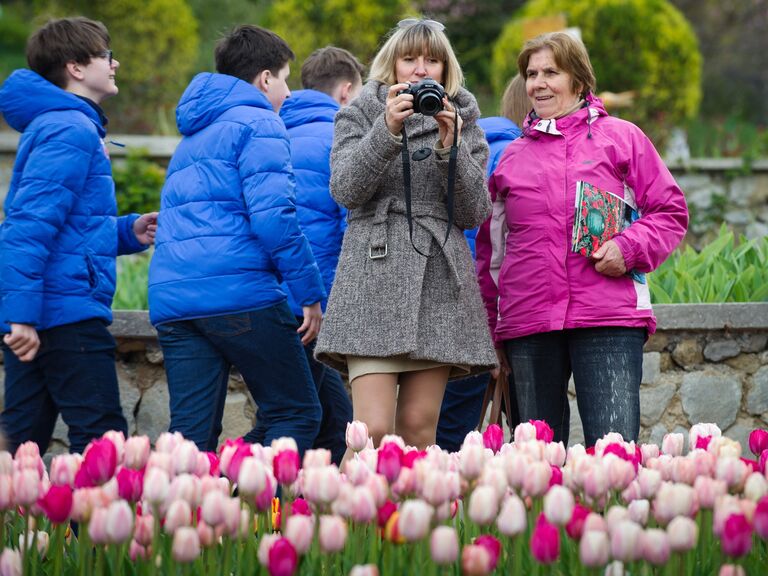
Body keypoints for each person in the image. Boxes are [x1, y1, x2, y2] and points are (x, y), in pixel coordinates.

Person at [476, 32, 688, 447]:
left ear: (578, 79)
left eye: (550, 72)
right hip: (528, 321)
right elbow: (491, 254)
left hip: (608, 318)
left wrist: (627, 249)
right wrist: (491, 332)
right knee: (534, 464)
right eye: (531, 74)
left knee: (613, 457)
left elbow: (670, 212)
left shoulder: (624, 138)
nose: (537, 83)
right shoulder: (511, 158)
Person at [315, 18, 497, 454]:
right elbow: (345, 190)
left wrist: (448, 149)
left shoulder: (465, 118)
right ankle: (348, 521)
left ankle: (408, 522)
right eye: (409, 59)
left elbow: (473, 213)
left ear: (445, 68)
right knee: (371, 431)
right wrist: (387, 130)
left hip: (437, 280)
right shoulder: (359, 111)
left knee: (418, 429)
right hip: (373, 277)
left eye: (431, 60)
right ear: (392, 65)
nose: (420, 70)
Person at [148, 25, 325, 453]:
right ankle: (262, 515)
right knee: (296, 412)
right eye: (284, 79)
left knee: (190, 437)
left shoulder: (192, 135)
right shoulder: (260, 121)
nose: (287, 93)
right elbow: (274, 218)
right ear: (265, 78)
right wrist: (310, 294)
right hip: (239, 294)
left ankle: (189, 514)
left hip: (173, 300)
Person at [0, 17, 157, 455]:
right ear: (75, 67)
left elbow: (68, 224)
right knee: (102, 441)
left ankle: (25, 526)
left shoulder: (64, 125)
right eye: (106, 56)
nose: (115, 63)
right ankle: (96, 527)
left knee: (20, 445)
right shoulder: (70, 128)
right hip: (62, 315)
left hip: (48, 310)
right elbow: (27, 228)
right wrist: (23, 318)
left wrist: (127, 231)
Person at [252, 46, 363, 465]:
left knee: (330, 420)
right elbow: (349, 230)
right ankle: (230, 480)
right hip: (316, 305)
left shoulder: (271, 133)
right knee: (303, 419)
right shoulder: (342, 141)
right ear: (347, 91)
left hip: (268, 301)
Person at [436, 75, 526, 452]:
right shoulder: (518, 156)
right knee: (529, 437)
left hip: (450, 310)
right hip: (494, 318)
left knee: (448, 434)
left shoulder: (472, 145)